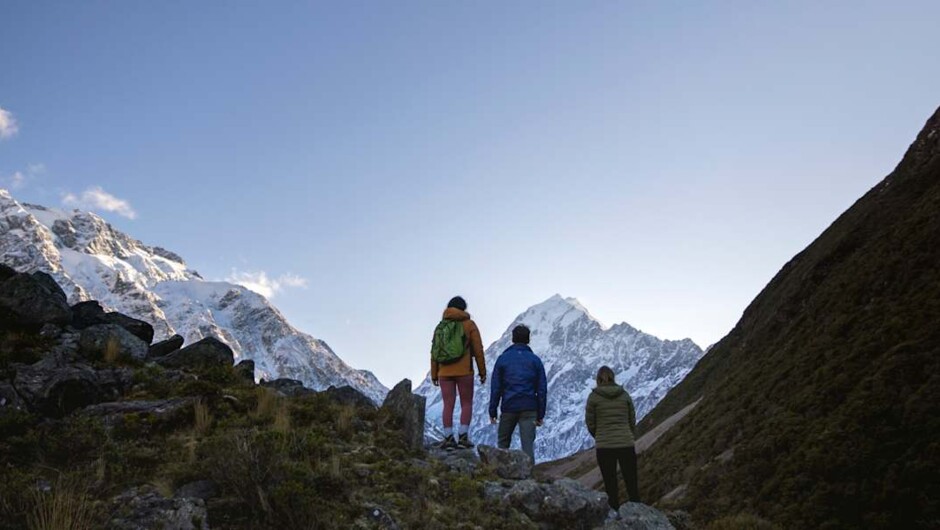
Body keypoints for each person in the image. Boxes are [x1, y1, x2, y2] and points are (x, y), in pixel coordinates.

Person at [431, 296, 486, 449]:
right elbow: (478, 349)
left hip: (444, 372)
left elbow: (434, 351)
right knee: (466, 403)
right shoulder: (469, 325)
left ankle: (448, 438)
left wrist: (434, 373)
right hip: (464, 371)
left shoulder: (440, 326)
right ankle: (463, 437)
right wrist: (482, 372)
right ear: (464, 309)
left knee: (448, 404)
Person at [585, 365, 640, 517]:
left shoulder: (594, 397)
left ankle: (614, 516)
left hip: (604, 446)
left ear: (598, 379)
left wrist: (600, 435)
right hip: (626, 444)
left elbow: (590, 422)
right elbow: (632, 419)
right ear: (613, 377)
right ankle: (638, 514)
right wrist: (627, 434)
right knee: (631, 481)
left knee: (610, 484)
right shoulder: (624, 395)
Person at [488, 324, 547, 462]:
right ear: (528, 340)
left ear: (512, 339)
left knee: (503, 443)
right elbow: (542, 389)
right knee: (527, 446)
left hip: (508, 406)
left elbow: (496, 387)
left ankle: (501, 475)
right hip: (529, 408)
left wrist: (492, 411)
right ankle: (530, 478)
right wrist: (540, 414)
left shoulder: (503, 359)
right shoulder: (535, 361)